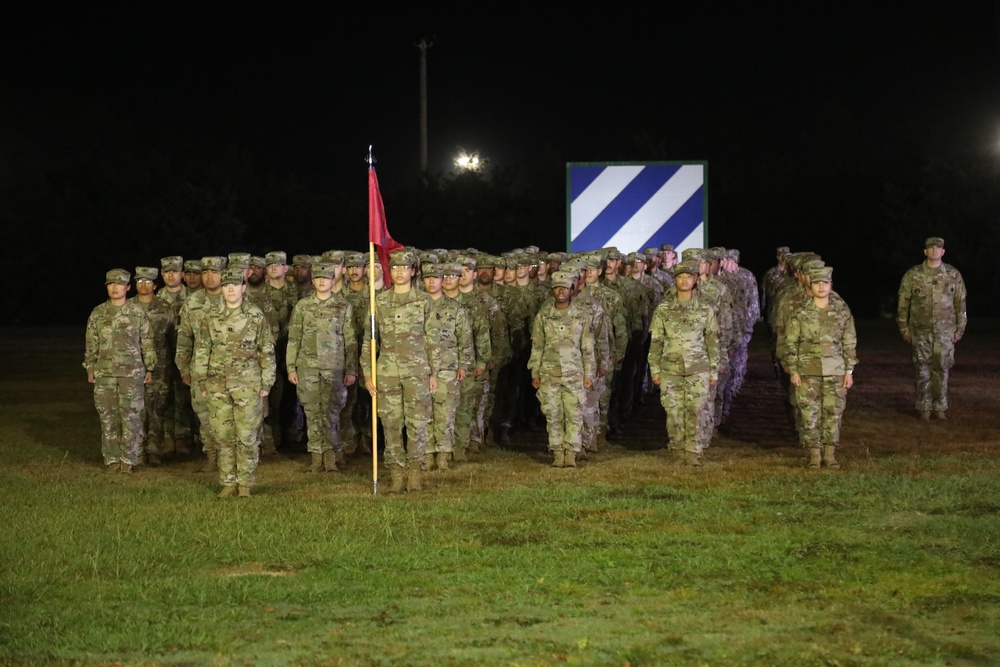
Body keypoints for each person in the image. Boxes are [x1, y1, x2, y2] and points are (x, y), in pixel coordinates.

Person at [192, 267, 276, 498]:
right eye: (226, 285)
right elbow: (202, 351)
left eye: (235, 285)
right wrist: (201, 382)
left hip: (248, 385)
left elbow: (266, 351)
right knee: (223, 436)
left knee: (247, 437)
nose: (230, 289)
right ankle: (228, 482)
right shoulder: (211, 318)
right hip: (217, 384)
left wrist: (266, 383)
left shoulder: (255, 316)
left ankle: (245, 485)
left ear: (243, 287)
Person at [361, 250, 438, 494]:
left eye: (404, 268)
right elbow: (369, 341)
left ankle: (414, 472)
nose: (399, 272)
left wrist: (433, 373)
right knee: (391, 423)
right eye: (394, 268)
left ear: (414, 271)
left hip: (417, 371)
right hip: (387, 371)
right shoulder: (379, 302)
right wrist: (367, 373)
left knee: (417, 423)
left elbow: (432, 339)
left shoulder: (424, 301)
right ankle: (396, 473)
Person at [285, 261, 358, 473]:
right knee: (312, 412)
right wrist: (291, 367)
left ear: (332, 279)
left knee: (332, 413)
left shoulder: (343, 306)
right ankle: (316, 458)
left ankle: (332, 457)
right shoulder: (302, 306)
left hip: (334, 368)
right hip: (307, 368)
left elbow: (350, 340)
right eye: (317, 278)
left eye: (325, 278)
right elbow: (294, 338)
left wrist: (351, 369)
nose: (321, 282)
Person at [83, 269, 156, 474]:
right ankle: (112, 459)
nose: (114, 287)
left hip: (132, 375)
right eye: (110, 284)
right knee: (108, 418)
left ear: (127, 287)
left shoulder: (137, 313)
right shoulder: (98, 313)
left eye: (119, 284)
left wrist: (150, 367)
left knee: (131, 418)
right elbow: (91, 343)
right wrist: (90, 366)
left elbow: (147, 342)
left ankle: (128, 460)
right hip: (104, 374)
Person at [784, 266, 857, 469]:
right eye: (817, 283)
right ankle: (815, 455)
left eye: (825, 283)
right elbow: (791, 342)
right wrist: (794, 370)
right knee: (810, 413)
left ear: (831, 285)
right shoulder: (801, 312)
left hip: (835, 370)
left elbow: (849, 341)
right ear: (811, 285)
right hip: (808, 371)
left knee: (833, 412)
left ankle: (830, 454)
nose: (821, 286)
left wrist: (849, 371)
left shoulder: (841, 312)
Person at [647, 260, 719, 467]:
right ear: (675, 280)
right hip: (671, 369)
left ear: (695, 280)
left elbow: (712, 342)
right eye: (680, 277)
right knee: (674, 412)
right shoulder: (664, 309)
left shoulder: (705, 309)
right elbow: (656, 342)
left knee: (696, 411)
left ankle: (694, 450)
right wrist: (655, 369)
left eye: (688, 277)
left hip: (698, 369)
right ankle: (678, 449)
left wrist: (713, 370)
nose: (684, 280)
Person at [528, 271, 595, 468]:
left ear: (571, 290)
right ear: (552, 291)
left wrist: (589, 374)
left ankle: (572, 453)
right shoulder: (544, 316)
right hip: (549, 373)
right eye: (557, 288)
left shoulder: (581, 316)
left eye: (565, 288)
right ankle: (557, 452)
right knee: (553, 414)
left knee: (574, 414)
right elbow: (537, 346)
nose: (561, 292)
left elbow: (588, 348)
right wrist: (535, 372)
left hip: (574, 373)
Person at [897, 237, 967, 421]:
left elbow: (960, 304)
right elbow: (904, 303)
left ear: (943, 252)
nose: (935, 250)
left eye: (938, 248)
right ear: (925, 251)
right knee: (922, 369)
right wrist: (904, 327)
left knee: (942, 369)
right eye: (931, 248)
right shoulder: (913, 275)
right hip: (921, 331)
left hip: (945, 332)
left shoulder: (953, 275)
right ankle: (924, 407)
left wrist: (960, 329)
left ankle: (940, 407)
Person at [422, 263, 474, 470]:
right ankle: (426, 455)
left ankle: (443, 455)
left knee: (445, 413)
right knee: (424, 413)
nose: (431, 282)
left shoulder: (455, 308)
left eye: (436, 278)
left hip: (447, 367)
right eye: (428, 278)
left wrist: (464, 365)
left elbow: (465, 339)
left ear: (443, 280)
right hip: (421, 367)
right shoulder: (416, 306)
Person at [130, 266, 177, 466]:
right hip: (133, 367)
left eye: (148, 281)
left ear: (155, 285)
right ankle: (138, 451)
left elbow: (174, 338)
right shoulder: (128, 307)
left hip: (160, 367)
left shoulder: (165, 307)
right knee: (136, 409)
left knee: (157, 409)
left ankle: (154, 449)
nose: (143, 285)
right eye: (139, 281)